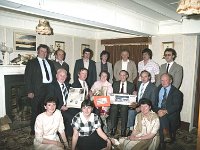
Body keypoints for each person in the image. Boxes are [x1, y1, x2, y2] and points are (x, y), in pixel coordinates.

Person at [24, 44, 56, 135]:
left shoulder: (50, 62)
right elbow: (27, 78)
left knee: (47, 110)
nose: (44, 53)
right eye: (42, 51)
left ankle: (46, 128)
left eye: (45, 51)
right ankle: (34, 130)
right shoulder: (31, 62)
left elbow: (53, 76)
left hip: (49, 88)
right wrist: (29, 91)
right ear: (38, 52)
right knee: (35, 110)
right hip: (37, 90)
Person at [154, 73, 183, 149]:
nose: (163, 82)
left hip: (170, 114)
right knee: (162, 117)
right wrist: (158, 110)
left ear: (170, 81)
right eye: (162, 80)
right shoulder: (158, 88)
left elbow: (176, 106)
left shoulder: (177, 92)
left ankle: (161, 143)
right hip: (158, 111)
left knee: (162, 118)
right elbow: (154, 103)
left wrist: (165, 111)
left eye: (166, 80)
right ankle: (166, 134)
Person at [48, 68, 78, 138]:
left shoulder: (68, 85)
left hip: (69, 106)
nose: (62, 77)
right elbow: (50, 100)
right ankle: (69, 135)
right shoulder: (52, 86)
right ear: (56, 76)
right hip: (58, 108)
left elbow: (73, 97)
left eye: (64, 76)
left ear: (66, 77)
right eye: (60, 75)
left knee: (80, 113)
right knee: (71, 117)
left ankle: (78, 133)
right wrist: (60, 106)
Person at [127, 70, 157, 136]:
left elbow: (152, 101)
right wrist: (135, 94)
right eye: (142, 77)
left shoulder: (153, 87)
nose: (143, 78)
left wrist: (141, 107)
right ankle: (131, 129)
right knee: (130, 110)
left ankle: (139, 130)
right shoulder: (139, 84)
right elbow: (138, 95)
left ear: (149, 77)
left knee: (132, 112)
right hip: (137, 104)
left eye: (145, 76)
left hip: (146, 107)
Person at [110, 70, 135, 137]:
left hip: (125, 103)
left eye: (124, 75)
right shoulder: (115, 84)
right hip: (116, 103)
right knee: (113, 108)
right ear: (119, 76)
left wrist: (134, 94)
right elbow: (112, 94)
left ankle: (123, 130)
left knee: (124, 109)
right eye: (121, 75)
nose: (122, 77)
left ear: (127, 76)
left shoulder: (131, 85)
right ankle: (113, 128)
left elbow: (133, 97)